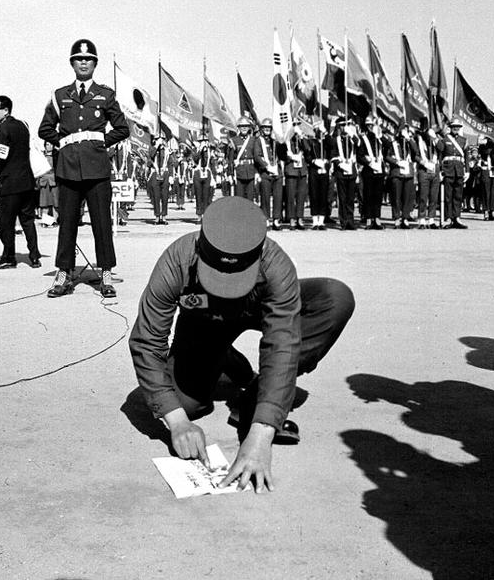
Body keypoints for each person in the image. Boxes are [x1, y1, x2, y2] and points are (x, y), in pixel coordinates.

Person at [129, 196, 355, 493]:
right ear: (200, 245)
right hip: (205, 324)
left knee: (335, 297)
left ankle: (253, 397)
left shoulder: (276, 264)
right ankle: (220, 356)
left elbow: (282, 345)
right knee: (184, 404)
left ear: (260, 251)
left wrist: (261, 435)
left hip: (257, 310)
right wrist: (178, 421)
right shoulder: (177, 259)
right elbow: (147, 340)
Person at [39, 39, 129, 297]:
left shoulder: (106, 95)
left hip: (97, 170)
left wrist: (101, 143)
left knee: (102, 223)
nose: (84, 62)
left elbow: (122, 128)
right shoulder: (59, 96)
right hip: (68, 170)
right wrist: (63, 143)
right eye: (79, 59)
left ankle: (106, 274)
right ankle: (63, 274)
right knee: (67, 223)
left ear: (95, 64)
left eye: (88, 59)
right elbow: (44, 128)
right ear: (72, 63)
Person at [0, 95, 41, 269]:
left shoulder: (3, 128)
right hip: (27, 181)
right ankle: (34, 256)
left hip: (10, 182)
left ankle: (8, 258)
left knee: (6, 223)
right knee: (27, 221)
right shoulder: (22, 126)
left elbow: (1, 154)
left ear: (6, 110)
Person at [253, 118, 285, 230]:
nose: (267, 130)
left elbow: (282, 154)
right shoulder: (258, 140)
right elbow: (257, 156)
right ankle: (266, 219)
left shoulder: (276, 140)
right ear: (262, 129)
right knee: (265, 197)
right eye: (265, 128)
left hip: (277, 172)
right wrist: (266, 166)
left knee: (278, 197)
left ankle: (276, 220)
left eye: (269, 128)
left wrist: (279, 142)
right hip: (266, 172)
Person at [385, 121, 416, 229]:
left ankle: (405, 218)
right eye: (402, 130)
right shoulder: (392, 142)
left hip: (408, 173)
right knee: (396, 197)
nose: (404, 132)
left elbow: (415, 152)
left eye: (406, 130)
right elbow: (387, 156)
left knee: (407, 197)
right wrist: (396, 162)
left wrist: (409, 139)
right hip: (397, 172)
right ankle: (397, 218)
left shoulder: (410, 142)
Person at [356, 116, 385, 230]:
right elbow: (359, 156)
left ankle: (377, 218)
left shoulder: (379, 138)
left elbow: (387, 147)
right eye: (369, 125)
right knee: (368, 195)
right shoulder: (363, 138)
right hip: (369, 170)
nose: (370, 127)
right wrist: (368, 161)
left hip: (379, 171)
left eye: (372, 125)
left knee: (378, 196)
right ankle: (368, 219)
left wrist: (381, 136)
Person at [438, 119, 468, 229]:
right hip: (448, 170)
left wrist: (467, 171)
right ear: (450, 127)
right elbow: (440, 155)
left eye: (458, 126)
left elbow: (466, 157)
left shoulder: (463, 140)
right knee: (448, 196)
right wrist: (440, 170)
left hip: (459, 170)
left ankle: (457, 218)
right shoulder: (444, 139)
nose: (456, 128)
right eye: (454, 126)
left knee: (458, 196)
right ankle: (448, 218)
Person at [411, 118, 441, 229]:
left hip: (435, 169)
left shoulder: (436, 139)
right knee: (423, 196)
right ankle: (422, 219)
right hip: (423, 170)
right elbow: (415, 154)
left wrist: (434, 137)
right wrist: (422, 162)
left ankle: (431, 219)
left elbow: (442, 148)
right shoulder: (418, 138)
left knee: (434, 197)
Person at [330, 118, 359, 230]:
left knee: (351, 198)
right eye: (342, 126)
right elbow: (333, 155)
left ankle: (350, 221)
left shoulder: (352, 139)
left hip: (351, 172)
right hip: (341, 172)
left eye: (346, 125)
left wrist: (352, 133)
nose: (344, 127)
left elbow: (359, 144)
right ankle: (343, 221)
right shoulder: (335, 140)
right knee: (342, 198)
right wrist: (340, 164)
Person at [283, 119, 309, 230]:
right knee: (290, 195)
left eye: (297, 124)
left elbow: (308, 149)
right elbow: (282, 154)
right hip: (291, 169)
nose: (295, 126)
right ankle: (292, 219)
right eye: (293, 125)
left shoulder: (302, 137)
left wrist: (301, 136)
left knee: (301, 195)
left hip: (301, 170)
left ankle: (300, 218)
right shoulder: (285, 139)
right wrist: (291, 157)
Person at [229, 116, 257, 200]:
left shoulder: (254, 140)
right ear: (238, 128)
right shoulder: (234, 140)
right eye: (242, 126)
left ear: (249, 127)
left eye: (246, 126)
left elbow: (256, 158)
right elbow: (230, 159)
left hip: (251, 171)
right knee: (240, 198)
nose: (244, 128)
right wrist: (230, 174)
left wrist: (257, 173)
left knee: (250, 198)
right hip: (239, 172)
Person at [147, 135, 172, 225]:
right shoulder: (152, 149)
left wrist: (171, 176)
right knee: (156, 196)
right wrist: (156, 146)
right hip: (155, 173)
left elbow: (171, 163)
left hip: (165, 173)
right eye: (158, 139)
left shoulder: (167, 151)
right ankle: (157, 217)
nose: (161, 141)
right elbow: (150, 158)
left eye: (162, 140)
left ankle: (164, 216)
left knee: (165, 196)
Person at [478, 137, 494, 221]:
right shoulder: (483, 147)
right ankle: (486, 211)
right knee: (486, 192)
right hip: (486, 171)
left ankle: (492, 211)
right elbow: (485, 153)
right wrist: (487, 144)